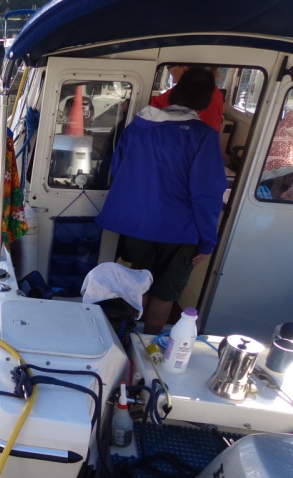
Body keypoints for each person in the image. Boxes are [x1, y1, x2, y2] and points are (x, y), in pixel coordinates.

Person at [96, 67, 227, 334]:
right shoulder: (203, 135)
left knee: (141, 281)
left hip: (137, 223)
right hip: (178, 230)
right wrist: (207, 239)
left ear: (174, 93)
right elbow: (206, 192)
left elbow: (119, 170)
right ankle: (149, 347)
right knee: (166, 293)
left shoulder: (138, 126)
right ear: (206, 100)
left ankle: (130, 337)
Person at [150, 64, 224, 131]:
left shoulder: (185, 90)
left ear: (184, 68)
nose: (169, 72)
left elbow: (154, 105)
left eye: (168, 67)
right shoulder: (215, 93)